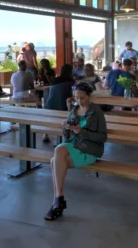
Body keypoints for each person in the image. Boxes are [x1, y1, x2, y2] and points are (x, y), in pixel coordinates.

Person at [44, 82, 107, 221]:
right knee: (55, 159)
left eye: (82, 98)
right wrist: (66, 128)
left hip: (90, 150)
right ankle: (58, 199)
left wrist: (82, 132)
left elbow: (102, 138)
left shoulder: (96, 112)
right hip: (74, 147)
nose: (79, 101)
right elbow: (67, 138)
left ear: (89, 96)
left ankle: (58, 201)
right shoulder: (74, 110)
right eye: (76, 98)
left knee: (57, 154)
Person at [43, 64, 76, 143]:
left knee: (49, 118)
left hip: (50, 105)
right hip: (63, 105)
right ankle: (67, 136)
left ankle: (45, 134)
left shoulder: (55, 80)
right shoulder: (72, 81)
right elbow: (73, 95)